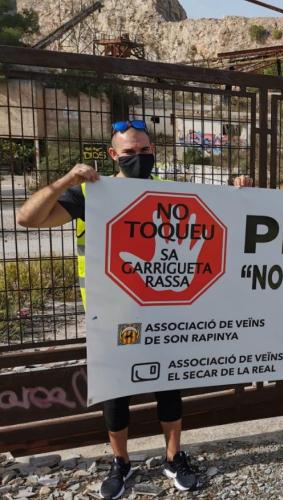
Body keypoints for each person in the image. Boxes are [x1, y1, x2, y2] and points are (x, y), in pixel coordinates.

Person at [16, 120, 254, 499]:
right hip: (110, 315)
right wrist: (65, 181)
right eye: (129, 152)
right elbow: (27, 218)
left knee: (169, 386)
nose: (138, 157)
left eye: (144, 150)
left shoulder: (169, 192)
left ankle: (173, 457)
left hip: (163, 311)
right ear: (113, 155)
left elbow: (223, 217)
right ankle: (121, 462)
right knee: (116, 394)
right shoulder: (92, 194)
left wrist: (242, 194)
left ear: (153, 151)